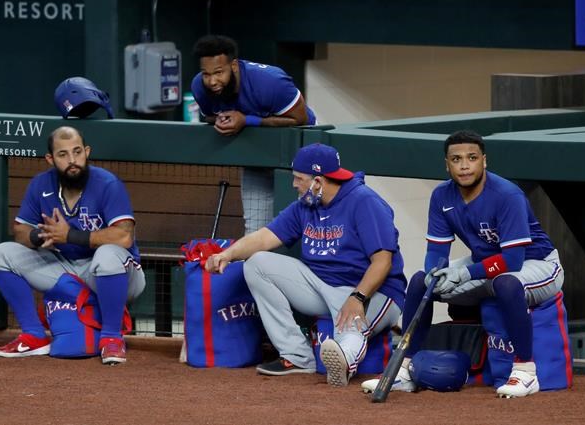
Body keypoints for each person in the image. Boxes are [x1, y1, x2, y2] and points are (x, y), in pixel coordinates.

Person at [363, 130, 564, 397]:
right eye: (456, 159)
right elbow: (436, 251)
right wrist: (437, 272)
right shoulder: (442, 196)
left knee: (506, 283)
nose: (465, 165)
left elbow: (513, 261)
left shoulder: (507, 194)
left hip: (537, 262)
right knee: (421, 281)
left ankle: (525, 371)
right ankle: (404, 369)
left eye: (472, 158)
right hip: (485, 262)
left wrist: (466, 274)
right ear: (447, 165)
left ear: (484, 160)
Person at [205, 143, 406, 387]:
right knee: (257, 263)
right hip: (320, 285)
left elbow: (382, 261)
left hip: (371, 290)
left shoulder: (365, 202)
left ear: (318, 181)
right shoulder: (305, 205)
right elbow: (266, 237)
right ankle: (297, 356)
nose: (294, 184)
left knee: (351, 327)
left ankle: (343, 363)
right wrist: (229, 253)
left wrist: (359, 297)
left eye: (299, 179)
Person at [0, 126, 145, 364]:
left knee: (107, 255)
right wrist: (41, 236)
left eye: (77, 152)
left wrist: (70, 235)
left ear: (87, 152)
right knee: (1, 254)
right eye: (63, 155)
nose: (72, 161)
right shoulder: (41, 184)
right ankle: (33, 335)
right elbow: (20, 231)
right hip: (64, 268)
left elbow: (124, 237)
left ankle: (112, 338)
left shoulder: (107, 184)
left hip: (118, 275)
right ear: (50, 158)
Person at [191, 34, 317, 234]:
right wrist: (223, 119)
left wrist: (246, 120)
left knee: (301, 227)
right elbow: (209, 117)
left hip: (298, 156)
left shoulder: (270, 82)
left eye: (218, 72)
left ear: (233, 66)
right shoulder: (200, 87)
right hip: (257, 157)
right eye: (206, 74)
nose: (212, 81)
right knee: (255, 230)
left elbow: (300, 119)